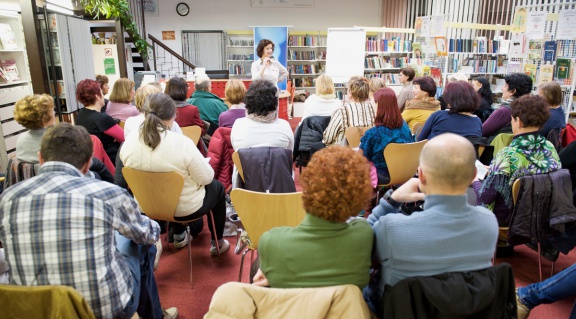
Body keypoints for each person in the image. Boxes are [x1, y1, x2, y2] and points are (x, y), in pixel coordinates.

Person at [0, 123, 178, 319]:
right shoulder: (109, 194)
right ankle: (155, 316)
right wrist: (150, 225)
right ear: (87, 164)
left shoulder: (8, 198)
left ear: (40, 158)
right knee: (142, 244)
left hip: (31, 310)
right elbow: (147, 234)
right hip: (106, 309)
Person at [366, 133, 498, 307]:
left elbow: (357, 246)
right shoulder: (488, 223)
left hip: (399, 310)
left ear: (420, 175)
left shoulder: (391, 227)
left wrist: (391, 201)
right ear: (474, 175)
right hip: (462, 309)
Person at [120, 93, 229, 254]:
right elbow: (206, 178)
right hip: (183, 209)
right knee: (217, 187)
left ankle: (175, 237)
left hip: (146, 206)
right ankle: (217, 243)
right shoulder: (181, 142)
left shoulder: (129, 142)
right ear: (172, 115)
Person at [253, 146, 373, 289]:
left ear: (309, 185)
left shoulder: (271, 242)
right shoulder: (364, 235)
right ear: (360, 195)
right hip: (343, 310)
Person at [473, 95, 560, 226]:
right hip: (539, 215)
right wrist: (492, 170)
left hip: (508, 218)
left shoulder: (508, 155)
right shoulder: (549, 148)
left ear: (518, 121)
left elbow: (486, 195)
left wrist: (474, 180)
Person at [359, 88, 412, 185]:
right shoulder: (405, 127)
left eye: (374, 103)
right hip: (406, 172)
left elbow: (360, 159)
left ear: (379, 106)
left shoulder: (373, 133)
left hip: (384, 174)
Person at [231, 79, 294, 151]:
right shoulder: (284, 126)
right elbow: (290, 154)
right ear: (274, 102)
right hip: (276, 162)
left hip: (247, 162)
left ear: (248, 101)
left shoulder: (238, 125)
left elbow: (236, 150)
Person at [75, 79, 124, 163]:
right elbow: (124, 137)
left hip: (91, 160)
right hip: (110, 160)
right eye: (101, 92)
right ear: (97, 96)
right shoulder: (102, 119)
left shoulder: (80, 114)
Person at [418, 81, 482, 141]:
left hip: (436, 152)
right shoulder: (477, 122)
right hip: (464, 152)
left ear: (450, 99)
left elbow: (420, 140)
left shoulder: (438, 116)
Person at [322, 76, 375, 146]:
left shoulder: (342, 111)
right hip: (366, 152)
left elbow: (328, 139)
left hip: (345, 153)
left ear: (350, 93)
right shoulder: (373, 109)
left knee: (315, 147)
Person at [482, 73, 532, 142]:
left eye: (505, 86)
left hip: (498, 149)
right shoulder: (531, 108)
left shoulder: (504, 111)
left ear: (513, 91)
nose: (502, 88)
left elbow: (483, 131)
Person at [13, 94, 55, 163]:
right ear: (44, 119)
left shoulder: (20, 140)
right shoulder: (56, 140)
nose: (54, 113)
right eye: (52, 111)